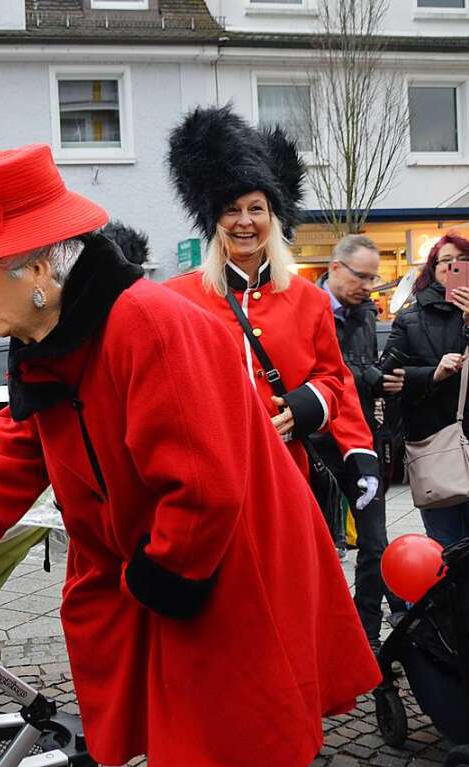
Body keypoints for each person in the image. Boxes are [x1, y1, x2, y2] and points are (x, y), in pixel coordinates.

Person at [0, 143, 379, 766]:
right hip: (169, 566)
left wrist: (150, 586)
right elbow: (14, 452)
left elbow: (203, 489)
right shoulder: (55, 333)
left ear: (37, 273)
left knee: (223, 739)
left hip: (216, 571)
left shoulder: (146, 322)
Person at [164, 107, 380, 498]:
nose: (244, 221)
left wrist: (306, 408)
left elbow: (333, 379)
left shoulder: (309, 299)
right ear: (215, 220)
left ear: (272, 218)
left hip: (288, 477)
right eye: (231, 209)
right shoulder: (176, 298)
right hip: (207, 481)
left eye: (256, 209)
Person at [309, 234, 405, 644]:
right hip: (314, 445)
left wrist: (385, 383)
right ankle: (315, 635)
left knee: (375, 544)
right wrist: (366, 376)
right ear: (334, 269)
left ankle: (366, 638)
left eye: (372, 278)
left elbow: (362, 375)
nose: (368, 286)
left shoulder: (365, 314)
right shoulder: (305, 310)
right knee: (314, 548)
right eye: (361, 277)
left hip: (361, 442)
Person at [383, 233, 469, 547]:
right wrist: (431, 374)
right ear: (433, 269)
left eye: (463, 261)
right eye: (445, 261)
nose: (454, 267)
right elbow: (388, 378)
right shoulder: (411, 319)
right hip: (437, 447)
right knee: (445, 544)